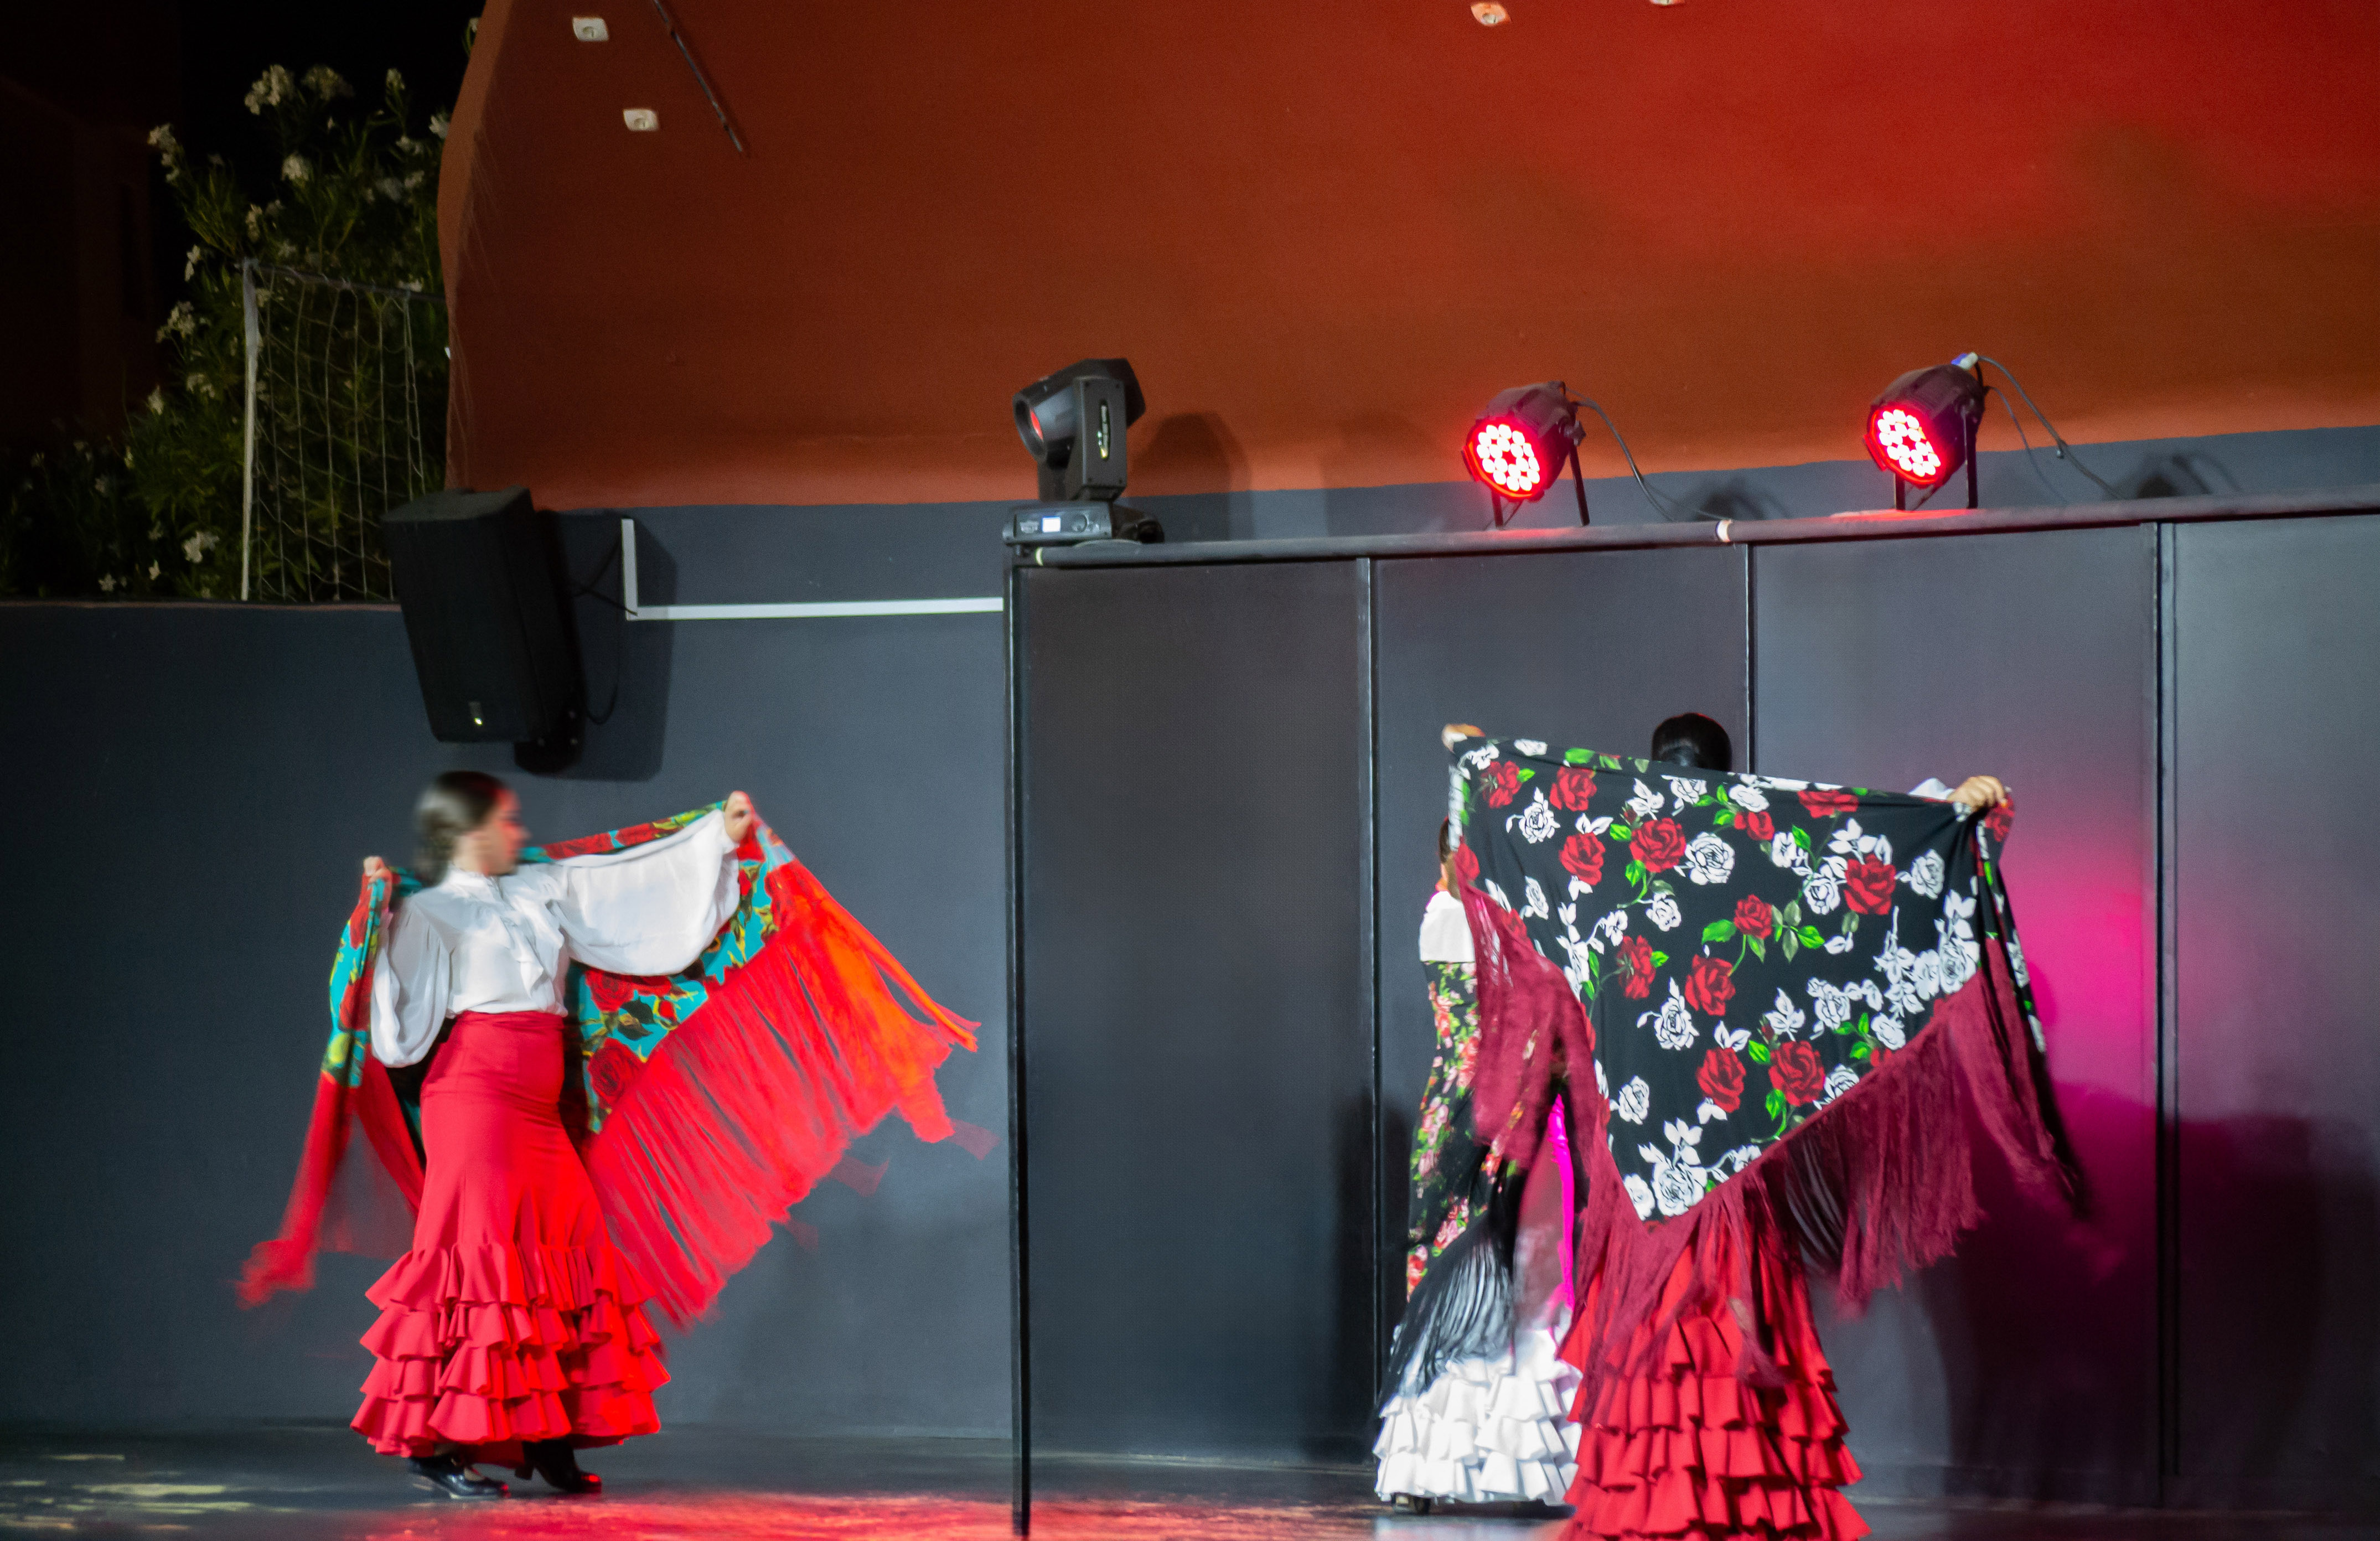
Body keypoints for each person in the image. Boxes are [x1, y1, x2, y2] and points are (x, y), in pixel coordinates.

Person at [1559, 714, 2009, 1541]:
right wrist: (1477, 770)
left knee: (1731, 1330)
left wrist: (1948, 811)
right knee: (1669, 1339)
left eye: (1697, 774)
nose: (1684, 788)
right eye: (1671, 773)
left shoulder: (1752, 860)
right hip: (1650, 1169)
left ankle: (1736, 1514)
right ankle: (1658, 1515)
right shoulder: (1616, 866)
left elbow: (1854, 863)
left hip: (1728, 1164)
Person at [351, 771, 756, 1499]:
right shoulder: (433, 914)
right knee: (480, 1264)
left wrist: (716, 841)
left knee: (564, 1258)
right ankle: (440, 1443)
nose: (521, 834)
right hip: (473, 1100)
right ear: (467, 832)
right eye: (506, 823)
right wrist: (378, 920)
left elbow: (629, 884)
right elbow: (399, 1038)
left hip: (537, 1111)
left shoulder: (541, 890)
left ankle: (548, 1435)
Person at [1375, 815, 1582, 1512]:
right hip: (1505, 1117)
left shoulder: (1439, 917)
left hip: (1451, 1114)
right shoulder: (1505, 935)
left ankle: (1423, 1471)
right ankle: (1513, 1466)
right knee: (1512, 1277)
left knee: (1460, 1276)